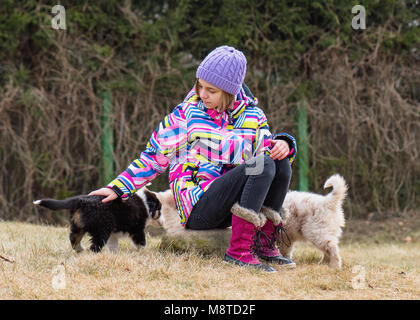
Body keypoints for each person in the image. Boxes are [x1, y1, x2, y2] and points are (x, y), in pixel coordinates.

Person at [89, 45, 297, 272]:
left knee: (278, 162)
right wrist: (118, 188)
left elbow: (266, 153)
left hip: (231, 206)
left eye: (212, 90)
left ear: (230, 92)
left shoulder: (253, 116)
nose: (202, 94)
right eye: (200, 86)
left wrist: (283, 145)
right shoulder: (187, 115)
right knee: (262, 164)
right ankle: (238, 252)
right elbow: (153, 157)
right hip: (199, 207)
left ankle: (263, 243)